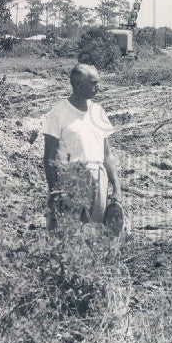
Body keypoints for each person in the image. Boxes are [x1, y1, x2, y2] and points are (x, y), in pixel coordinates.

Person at [42, 64, 121, 229]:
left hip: (99, 179)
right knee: (68, 230)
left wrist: (116, 188)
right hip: (71, 179)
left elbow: (107, 154)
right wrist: (54, 191)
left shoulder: (98, 111)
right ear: (77, 85)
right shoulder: (58, 112)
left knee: (95, 231)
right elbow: (49, 156)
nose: (97, 87)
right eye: (93, 83)